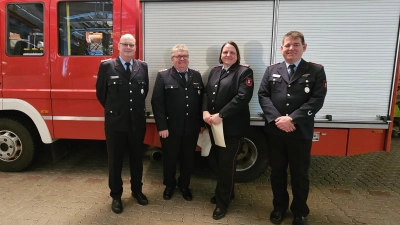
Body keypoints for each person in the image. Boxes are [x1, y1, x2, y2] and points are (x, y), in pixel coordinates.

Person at [258, 31, 327, 225]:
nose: (291, 48)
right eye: (287, 45)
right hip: (275, 132)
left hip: (300, 132)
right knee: (277, 172)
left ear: (304, 47)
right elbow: (263, 95)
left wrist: (292, 119)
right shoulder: (272, 70)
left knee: (300, 174)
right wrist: (278, 119)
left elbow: (317, 100)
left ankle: (300, 212)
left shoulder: (315, 70)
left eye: (296, 44)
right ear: (281, 49)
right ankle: (279, 208)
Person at [96, 34, 149, 214]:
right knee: (115, 161)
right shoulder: (107, 66)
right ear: (119, 46)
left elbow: (144, 91)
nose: (128, 47)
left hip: (136, 123)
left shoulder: (142, 67)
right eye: (125, 44)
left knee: (137, 159)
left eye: (131, 45)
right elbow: (101, 94)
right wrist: (116, 110)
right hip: (115, 123)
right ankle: (116, 196)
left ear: (135, 47)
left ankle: (137, 191)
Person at [202, 41, 254, 220]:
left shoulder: (244, 72)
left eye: (232, 52)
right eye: (225, 52)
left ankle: (222, 204)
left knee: (226, 165)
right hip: (214, 125)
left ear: (237, 55)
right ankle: (227, 192)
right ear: (221, 55)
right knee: (218, 162)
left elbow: (243, 97)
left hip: (231, 128)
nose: (228, 55)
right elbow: (207, 93)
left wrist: (221, 115)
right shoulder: (215, 71)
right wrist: (205, 111)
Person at [151, 44, 204, 201]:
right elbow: (157, 102)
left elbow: (202, 101)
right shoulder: (163, 76)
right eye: (178, 56)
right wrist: (162, 126)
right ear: (172, 59)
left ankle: (184, 185)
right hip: (170, 128)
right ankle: (169, 185)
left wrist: (201, 123)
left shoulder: (196, 75)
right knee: (170, 158)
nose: (182, 59)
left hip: (191, 128)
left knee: (188, 159)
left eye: (185, 56)